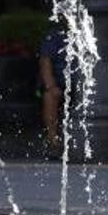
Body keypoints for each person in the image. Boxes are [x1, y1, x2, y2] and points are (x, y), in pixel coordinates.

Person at [37, 27, 72, 156]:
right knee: (49, 96)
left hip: (81, 85)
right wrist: (51, 86)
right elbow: (45, 61)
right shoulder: (56, 36)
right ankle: (53, 141)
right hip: (59, 83)